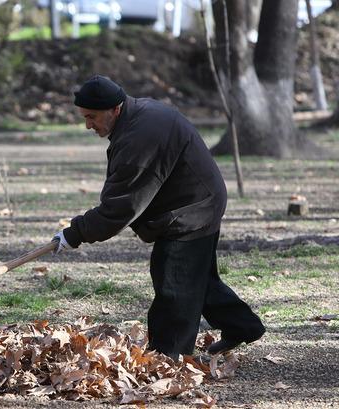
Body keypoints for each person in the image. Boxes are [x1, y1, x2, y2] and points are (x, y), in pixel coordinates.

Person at [53, 75, 265, 359]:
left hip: (192, 209)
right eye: (84, 117)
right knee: (196, 277)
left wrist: (74, 233)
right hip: (195, 201)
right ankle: (243, 326)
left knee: (174, 282)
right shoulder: (136, 116)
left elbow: (121, 206)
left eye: (92, 117)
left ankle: (167, 357)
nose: (88, 125)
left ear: (115, 108)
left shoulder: (140, 135)